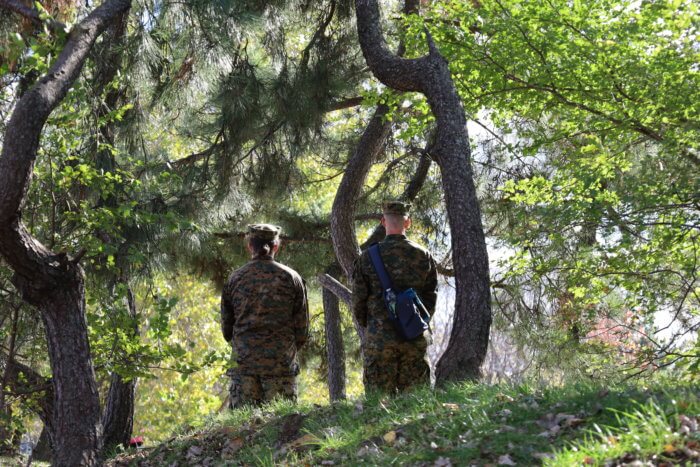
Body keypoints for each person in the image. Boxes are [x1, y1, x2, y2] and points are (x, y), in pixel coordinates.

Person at [351, 201, 438, 393]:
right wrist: (417, 321)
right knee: (415, 404)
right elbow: (431, 296)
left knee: (379, 405)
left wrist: (372, 325)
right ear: (408, 223)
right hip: (413, 337)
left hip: (380, 339)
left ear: (383, 221)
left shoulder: (367, 257)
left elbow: (358, 301)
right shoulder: (423, 255)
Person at [220, 224, 309, 408]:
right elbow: (302, 330)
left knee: (243, 428)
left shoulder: (235, 279)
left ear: (250, 246)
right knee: (282, 428)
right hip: (280, 365)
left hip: (245, 364)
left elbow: (227, 330)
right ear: (276, 246)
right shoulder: (292, 278)